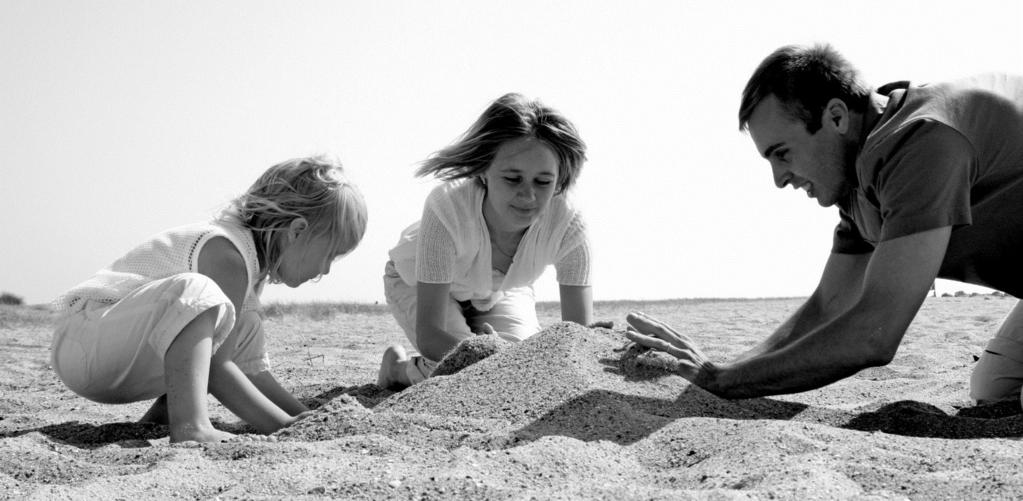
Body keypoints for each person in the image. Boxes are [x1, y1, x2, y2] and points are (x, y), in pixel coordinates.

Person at [626, 43, 1023, 404]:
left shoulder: (922, 141)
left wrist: (724, 382)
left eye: (782, 154)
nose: (779, 179)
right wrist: (719, 371)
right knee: (994, 388)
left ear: (835, 116)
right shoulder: (858, 177)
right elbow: (829, 306)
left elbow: (875, 334)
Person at [51, 156, 368, 442]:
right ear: (297, 231)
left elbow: (250, 370)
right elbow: (218, 368)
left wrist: (301, 419)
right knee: (199, 297)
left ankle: (162, 417)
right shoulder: (227, 254)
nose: (325, 270)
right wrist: (284, 428)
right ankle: (191, 427)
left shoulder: (248, 269)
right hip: (87, 343)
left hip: (110, 353)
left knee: (240, 324)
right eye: (330, 255)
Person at [377, 93, 593, 389]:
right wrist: (498, 361)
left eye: (543, 182)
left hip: (497, 292)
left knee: (524, 361)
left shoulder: (569, 225)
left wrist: (521, 359)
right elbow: (431, 334)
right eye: (512, 178)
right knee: (467, 370)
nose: (529, 196)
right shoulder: (448, 206)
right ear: (483, 171)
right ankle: (398, 370)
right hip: (414, 280)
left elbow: (577, 337)